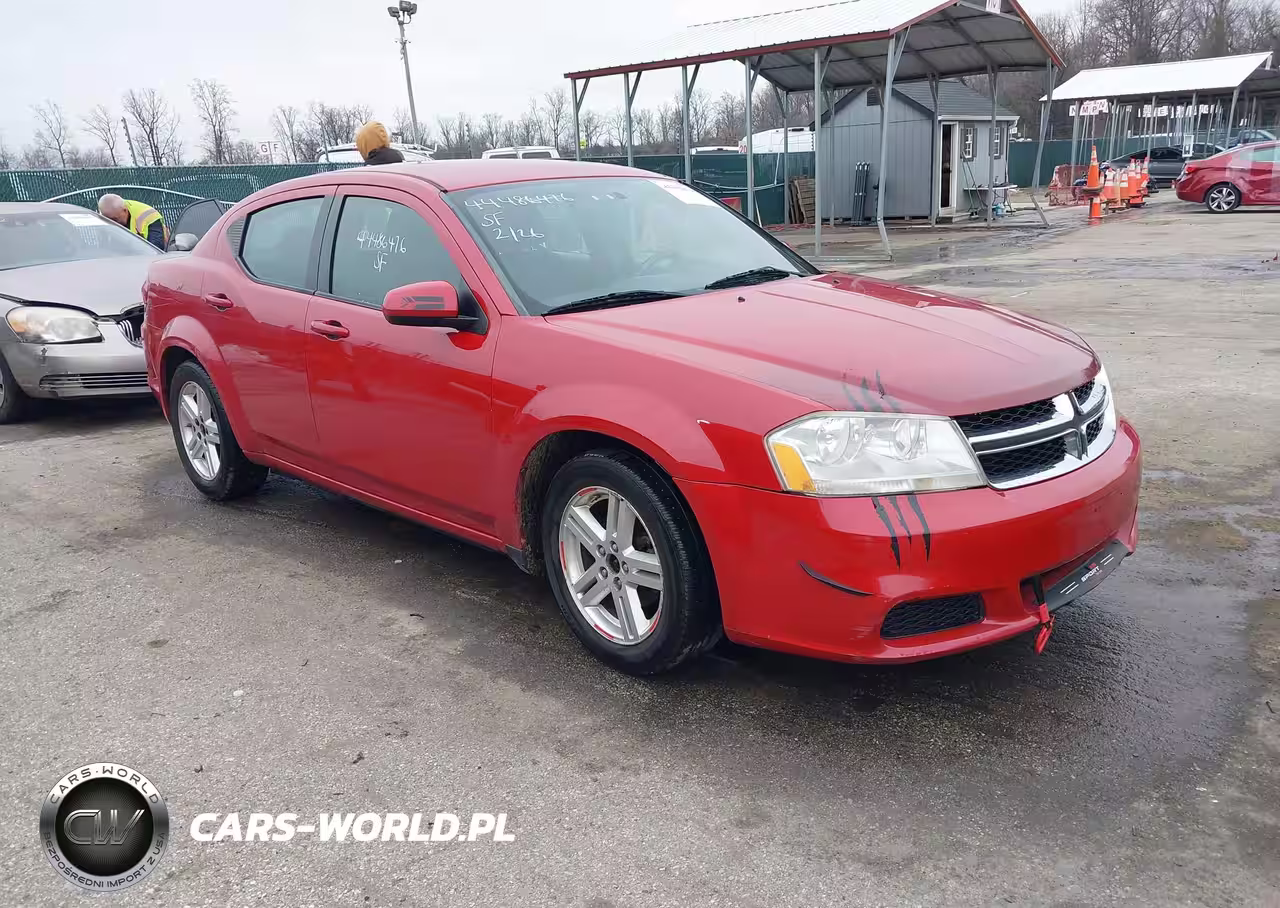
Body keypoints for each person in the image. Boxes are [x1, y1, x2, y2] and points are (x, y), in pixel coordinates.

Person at [97, 194, 169, 250]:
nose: (113, 223)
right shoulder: (102, 216)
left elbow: (156, 246)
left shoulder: (148, 215)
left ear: (125, 210)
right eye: (109, 220)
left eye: (115, 219)